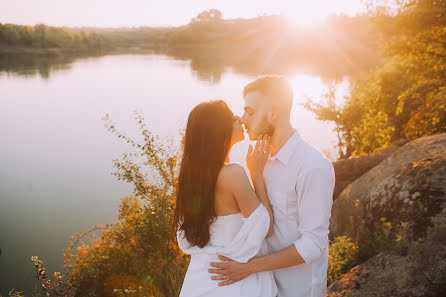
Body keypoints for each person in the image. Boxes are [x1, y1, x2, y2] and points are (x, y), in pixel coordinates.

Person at [208, 76, 336, 297]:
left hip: (297, 289)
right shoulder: (260, 160)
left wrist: (249, 267)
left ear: (274, 113)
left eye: (250, 111)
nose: (243, 118)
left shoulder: (313, 166)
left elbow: (314, 244)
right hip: (261, 287)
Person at [174, 100, 278, 297]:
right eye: (232, 118)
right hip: (233, 281)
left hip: (199, 279)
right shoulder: (232, 174)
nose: (239, 119)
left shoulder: (190, 178)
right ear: (219, 130)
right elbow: (267, 228)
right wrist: (256, 174)